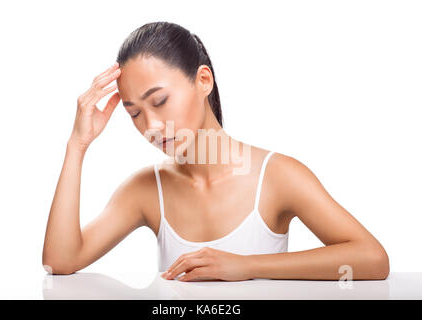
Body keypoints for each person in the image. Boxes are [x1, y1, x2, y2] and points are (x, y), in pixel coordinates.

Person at [42, 21, 389, 281]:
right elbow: (59, 261)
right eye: (134, 112)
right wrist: (77, 145)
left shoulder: (277, 176)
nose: (150, 125)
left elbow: (372, 259)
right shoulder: (145, 190)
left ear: (203, 81)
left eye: (159, 101)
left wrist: (247, 266)